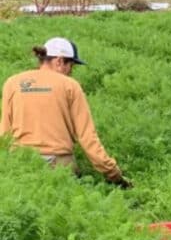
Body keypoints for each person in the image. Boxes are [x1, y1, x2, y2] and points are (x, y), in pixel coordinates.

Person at [1, 38, 130, 188]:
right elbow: (87, 137)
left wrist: (5, 169)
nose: (71, 72)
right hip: (59, 166)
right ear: (59, 61)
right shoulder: (70, 86)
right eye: (71, 66)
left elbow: (4, 133)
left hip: (21, 164)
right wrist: (114, 174)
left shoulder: (12, 83)